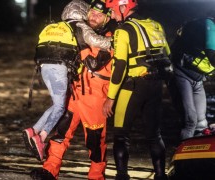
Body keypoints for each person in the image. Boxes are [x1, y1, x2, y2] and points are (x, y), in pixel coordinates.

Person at [30, 0, 115, 179]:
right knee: (60, 133)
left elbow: (94, 63)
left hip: (95, 98)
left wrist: (82, 43)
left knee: (94, 141)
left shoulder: (109, 37)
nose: (94, 16)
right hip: (74, 93)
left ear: (107, 18)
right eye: (92, 12)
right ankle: (49, 170)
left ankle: (96, 175)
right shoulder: (78, 31)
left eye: (100, 15)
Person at [103, 0, 171, 180]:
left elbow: (120, 66)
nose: (111, 15)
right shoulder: (155, 25)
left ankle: (122, 176)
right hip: (155, 85)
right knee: (154, 135)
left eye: (112, 10)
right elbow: (168, 55)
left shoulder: (123, 30)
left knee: (120, 135)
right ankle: (160, 175)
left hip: (131, 86)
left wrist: (110, 97)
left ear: (123, 7)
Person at [169, 16, 215, 140]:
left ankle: (199, 155)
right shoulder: (209, 25)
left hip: (197, 78)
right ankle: (183, 155)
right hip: (182, 74)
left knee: (201, 123)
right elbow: (211, 54)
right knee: (190, 121)